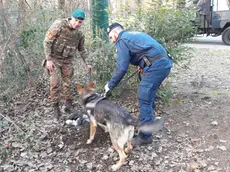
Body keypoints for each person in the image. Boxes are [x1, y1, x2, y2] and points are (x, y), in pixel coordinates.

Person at [104, 22, 173, 146]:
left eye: (110, 37)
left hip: (156, 66)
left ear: (115, 33)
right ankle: (147, 124)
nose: (112, 41)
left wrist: (110, 86)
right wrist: (144, 64)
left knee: (144, 98)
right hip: (163, 62)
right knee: (148, 95)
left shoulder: (122, 40)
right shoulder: (131, 35)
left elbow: (122, 68)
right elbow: (147, 49)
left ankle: (145, 137)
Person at [43, 9, 91, 120]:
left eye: (80, 22)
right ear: (71, 18)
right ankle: (56, 108)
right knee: (55, 83)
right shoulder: (59, 25)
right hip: (54, 59)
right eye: (76, 20)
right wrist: (48, 59)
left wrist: (87, 63)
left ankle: (68, 105)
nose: (77, 24)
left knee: (68, 83)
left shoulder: (79, 34)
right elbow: (47, 41)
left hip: (67, 61)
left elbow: (82, 49)